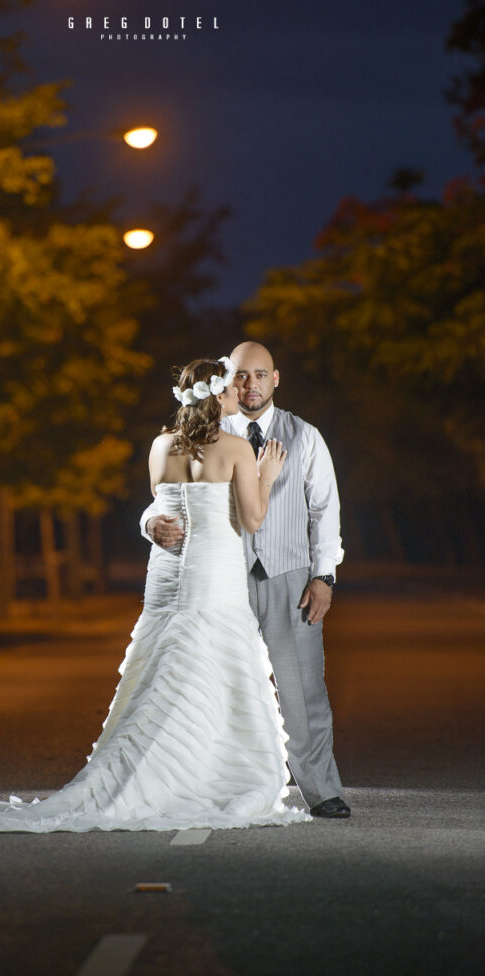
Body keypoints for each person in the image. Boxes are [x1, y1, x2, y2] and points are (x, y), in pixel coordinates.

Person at [0, 357, 310, 833]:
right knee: (201, 671)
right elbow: (252, 520)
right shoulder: (236, 449)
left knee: (166, 672)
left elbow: (157, 501)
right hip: (213, 577)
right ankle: (187, 774)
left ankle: (159, 769)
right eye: (231, 389)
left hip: (167, 578)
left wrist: (150, 524)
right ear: (217, 398)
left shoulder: (159, 446)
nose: (238, 395)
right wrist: (269, 475)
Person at [142, 342, 350, 819]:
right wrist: (150, 524)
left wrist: (323, 574)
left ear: (275, 378)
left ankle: (322, 789)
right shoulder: (207, 433)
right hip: (221, 578)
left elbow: (325, 511)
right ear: (225, 382)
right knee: (223, 685)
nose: (250, 384)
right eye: (241, 375)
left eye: (260, 374)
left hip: (289, 576)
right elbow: (168, 497)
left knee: (302, 690)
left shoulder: (306, 436)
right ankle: (222, 783)